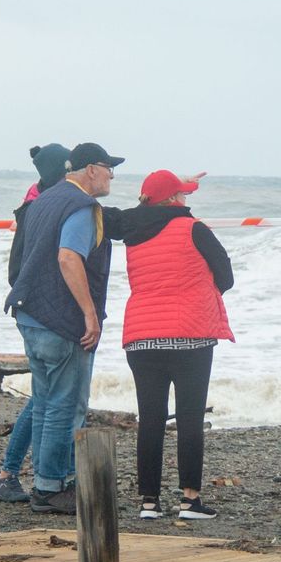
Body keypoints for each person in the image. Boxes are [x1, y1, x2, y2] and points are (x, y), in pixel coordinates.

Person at [3, 141, 126, 515]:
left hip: (30, 313)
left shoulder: (44, 199)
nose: (111, 176)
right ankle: (50, 487)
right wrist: (89, 314)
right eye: (108, 168)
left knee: (45, 404)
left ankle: (47, 481)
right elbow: (68, 258)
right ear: (91, 169)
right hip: (60, 320)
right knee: (64, 406)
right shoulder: (82, 206)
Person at [117, 170, 234, 521]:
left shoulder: (133, 234)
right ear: (172, 201)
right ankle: (189, 500)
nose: (186, 199)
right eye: (182, 194)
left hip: (141, 336)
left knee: (150, 419)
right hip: (191, 336)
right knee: (189, 418)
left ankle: (149, 503)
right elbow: (226, 275)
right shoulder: (194, 228)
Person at [0, 143, 71, 504]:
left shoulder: (36, 204)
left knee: (42, 397)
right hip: (42, 314)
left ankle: (21, 475)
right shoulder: (44, 207)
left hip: (33, 312)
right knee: (44, 399)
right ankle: (24, 476)